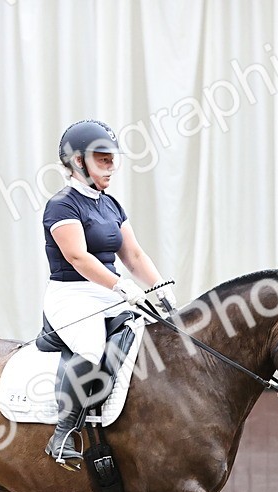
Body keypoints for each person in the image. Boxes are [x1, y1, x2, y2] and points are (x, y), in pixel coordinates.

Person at [41, 119, 177, 470]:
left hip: (109, 292)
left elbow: (133, 256)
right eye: (102, 159)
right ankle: (63, 435)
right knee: (90, 348)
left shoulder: (110, 205)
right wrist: (120, 285)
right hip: (71, 295)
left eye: (112, 159)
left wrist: (160, 290)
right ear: (77, 162)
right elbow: (77, 257)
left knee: (154, 335)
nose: (111, 166)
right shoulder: (62, 205)